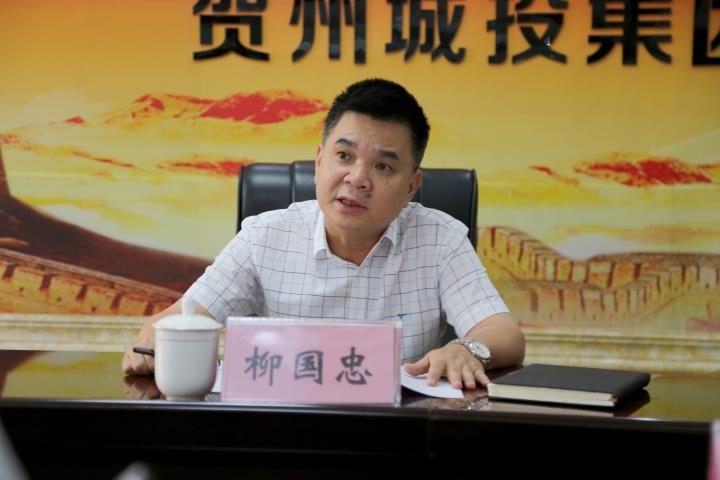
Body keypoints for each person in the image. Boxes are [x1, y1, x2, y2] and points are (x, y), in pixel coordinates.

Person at [123, 78, 525, 389]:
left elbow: (504, 335)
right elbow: (172, 322)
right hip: (284, 433)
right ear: (319, 162)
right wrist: (155, 345)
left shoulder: (439, 239)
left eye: (383, 167)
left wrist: (465, 349)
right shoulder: (264, 237)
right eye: (344, 156)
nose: (357, 178)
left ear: (410, 187)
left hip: (397, 439)